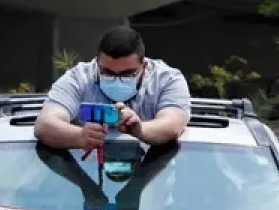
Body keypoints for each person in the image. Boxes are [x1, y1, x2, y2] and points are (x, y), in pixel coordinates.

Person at [34, 26, 191, 152]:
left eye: (127, 74)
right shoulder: (78, 78)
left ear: (144, 66)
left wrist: (139, 129)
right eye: (108, 72)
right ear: (97, 63)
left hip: (153, 185)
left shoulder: (168, 80)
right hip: (84, 176)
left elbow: (171, 125)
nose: (117, 79)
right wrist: (80, 136)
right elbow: (45, 124)